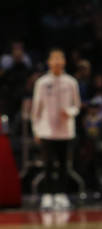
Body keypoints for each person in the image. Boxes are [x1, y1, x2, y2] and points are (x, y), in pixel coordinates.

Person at [30, 49, 80, 210]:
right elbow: (36, 108)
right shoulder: (42, 82)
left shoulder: (71, 82)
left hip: (66, 130)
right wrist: (36, 129)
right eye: (54, 59)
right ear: (49, 62)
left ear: (64, 62)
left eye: (60, 59)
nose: (57, 62)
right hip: (47, 130)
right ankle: (48, 195)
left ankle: (61, 195)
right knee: (48, 164)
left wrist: (70, 112)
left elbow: (77, 105)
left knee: (64, 164)